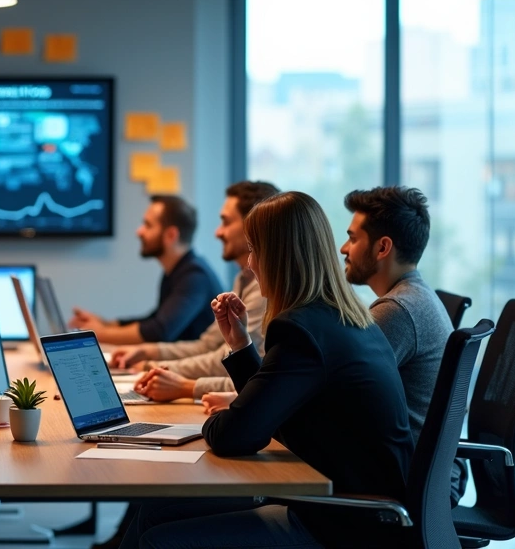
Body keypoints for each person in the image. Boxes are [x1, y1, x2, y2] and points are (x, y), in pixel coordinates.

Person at [124, 191, 413, 549]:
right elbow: (269, 404)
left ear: (276, 257)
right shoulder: (345, 317)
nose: (249, 264)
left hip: (344, 522)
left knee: (158, 539)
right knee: (154, 511)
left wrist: (216, 420)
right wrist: (240, 344)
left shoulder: (302, 329)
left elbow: (236, 436)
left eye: (253, 250)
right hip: (355, 505)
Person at [342, 185, 464, 502]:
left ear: (383, 247)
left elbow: (336, 393)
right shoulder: (415, 296)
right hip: (427, 475)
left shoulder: (397, 311)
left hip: (408, 484)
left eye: (353, 238)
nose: (343, 248)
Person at [113, 181, 279, 404]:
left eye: (225, 222)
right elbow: (208, 345)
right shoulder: (243, 278)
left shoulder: (258, 289)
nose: (217, 232)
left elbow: (160, 330)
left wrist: (155, 368)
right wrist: (147, 354)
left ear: (253, 227)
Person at [70, 195, 222, 345]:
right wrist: (104, 323)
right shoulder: (178, 270)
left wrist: (98, 333)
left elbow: (159, 331)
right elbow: (154, 320)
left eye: (148, 225)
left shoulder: (195, 276)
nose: (139, 231)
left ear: (171, 235)